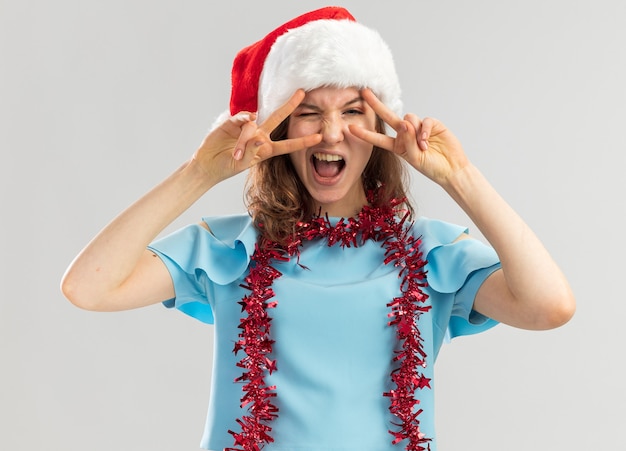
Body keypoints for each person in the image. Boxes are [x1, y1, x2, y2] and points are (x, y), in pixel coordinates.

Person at [61, 6, 575, 451]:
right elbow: (88, 287)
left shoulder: (429, 253)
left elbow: (549, 306)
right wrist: (199, 173)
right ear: (281, 127)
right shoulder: (225, 249)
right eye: (309, 112)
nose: (331, 133)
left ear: (378, 130)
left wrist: (459, 177)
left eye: (353, 111)